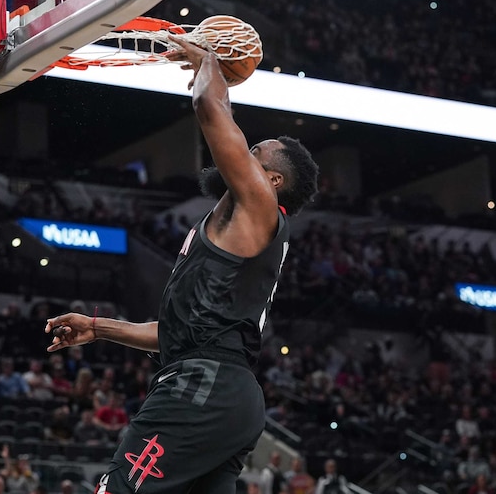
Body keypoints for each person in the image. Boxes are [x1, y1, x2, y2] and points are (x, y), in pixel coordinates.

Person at [44, 36, 319, 494]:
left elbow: (213, 113)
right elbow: (177, 332)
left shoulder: (260, 208)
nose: (240, 154)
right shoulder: (235, 226)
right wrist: (100, 327)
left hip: (202, 387)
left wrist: (210, 61)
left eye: (253, 154)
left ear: (271, 181)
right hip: (222, 390)